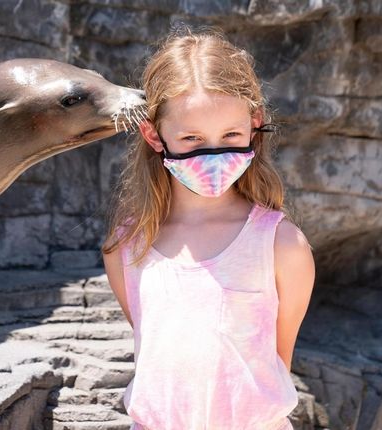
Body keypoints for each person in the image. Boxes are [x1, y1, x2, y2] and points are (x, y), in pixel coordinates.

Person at [100, 26, 315, 430]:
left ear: (255, 124)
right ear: (154, 134)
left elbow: (276, 361)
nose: (214, 152)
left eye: (231, 134)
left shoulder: (282, 245)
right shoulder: (128, 246)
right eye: (192, 138)